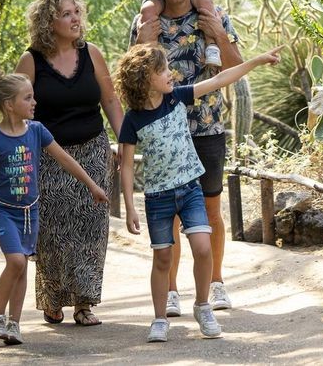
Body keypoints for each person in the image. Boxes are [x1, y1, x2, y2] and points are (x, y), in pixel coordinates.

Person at [114, 42, 282, 342]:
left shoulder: (176, 98)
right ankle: (159, 318)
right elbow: (125, 166)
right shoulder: (133, 118)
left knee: (203, 248)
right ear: (145, 78)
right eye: (163, 69)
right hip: (157, 197)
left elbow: (218, 80)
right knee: (163, 258)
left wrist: (256, 60)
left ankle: (203, 306)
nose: (171, 74)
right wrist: (130, 206)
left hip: (190, 188)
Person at [0, 68, 108, 346]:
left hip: (30, 212)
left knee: (22, 268)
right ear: (9, 105)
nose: (35, 103)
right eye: (28, 98)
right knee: (16, 261)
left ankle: (14, 324)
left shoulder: (38, 131)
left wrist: (92, 185)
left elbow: (66, 160)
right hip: (3, 210)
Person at [133, 0, 242, 317]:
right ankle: (173, 291)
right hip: (163, 133)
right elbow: (130, 76)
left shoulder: (212, 14)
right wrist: (141, 43)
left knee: (210, 208)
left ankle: (216, 282)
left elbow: (234, 67)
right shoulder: (146, 20)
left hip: (206, 125)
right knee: (172, 216)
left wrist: (220, 34)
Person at [14, 0, 124, 327]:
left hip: (92, 150)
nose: (75, 19)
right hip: (48, 155)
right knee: (54, 232)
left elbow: (110, 101)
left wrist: (126, 142)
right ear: (49, 21)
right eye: (66, 14)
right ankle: (52, 300)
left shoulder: (92, 53)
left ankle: (84, 303)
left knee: (91, 228)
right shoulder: (31, 60)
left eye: (77, 12)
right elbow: (17, 110)